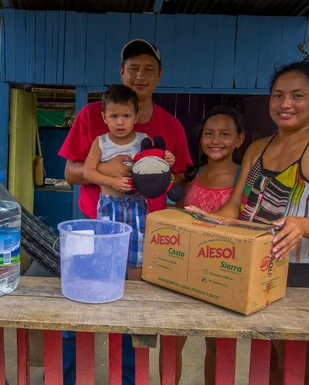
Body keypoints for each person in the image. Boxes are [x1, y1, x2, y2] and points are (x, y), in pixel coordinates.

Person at [189, 56, 309, 385]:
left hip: (303, 275)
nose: (285, 104)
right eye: (278, 95)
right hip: (254, 268)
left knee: (296, 369)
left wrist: (304, 225)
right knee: (267, 366)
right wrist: (208, 220)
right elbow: (236, 205)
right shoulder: (257, 149)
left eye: (297, 95)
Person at [59, 39, 192, 384]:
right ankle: (72, 377)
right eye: (133, 67)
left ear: (159, 75)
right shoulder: (92, 117)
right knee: (81, 302)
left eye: (149, 69)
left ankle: (129, 379)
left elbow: (179, 177)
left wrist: (160, 171)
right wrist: (109, 169)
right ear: (121, 72)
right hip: (94, 224)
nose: (140, 75)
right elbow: (71, 172)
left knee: (135, 306)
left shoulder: (169, 125)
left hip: (145, 228)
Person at [176, 105, 245, 385]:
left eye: (225, 134)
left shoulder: (245, 179)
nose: (216, 140)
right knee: (173, 338)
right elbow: (179, 212)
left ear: (239, 139)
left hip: (223, 273)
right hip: (186, 270)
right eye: (209, 134)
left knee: (218, 344)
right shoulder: (194, 175)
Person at [84, 84, 175, 277]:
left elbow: (155, 165)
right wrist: (112, 182)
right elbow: (88, 172)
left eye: (126, 116)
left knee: (137, 252)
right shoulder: (101, 142)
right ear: (104, 117)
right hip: (110, 204)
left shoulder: (144, 140)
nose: (120, 122)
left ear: (136, 117)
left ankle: (134, 294)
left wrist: (168, 159)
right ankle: (108, 287)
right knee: (107, 251)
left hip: (137, 204)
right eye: (114, 116)